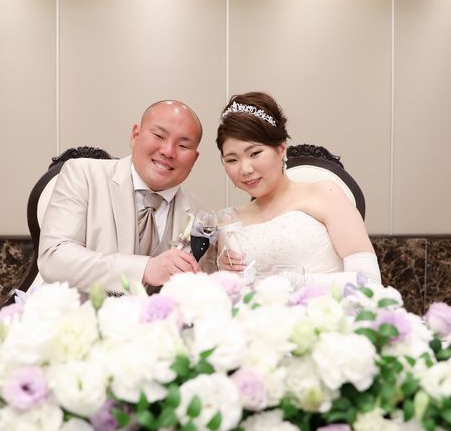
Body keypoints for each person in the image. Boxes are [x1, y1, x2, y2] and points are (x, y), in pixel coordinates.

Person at [38, 99, 207, 294]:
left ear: (194, 159)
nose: (168, 151)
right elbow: (54, 258)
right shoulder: (83, 174)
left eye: (183, 146)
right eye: (159, 136)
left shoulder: (199, 215)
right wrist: (145, 269)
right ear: (135, 136)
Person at [215, 92, 381, 288]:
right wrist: (225, 276)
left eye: (255, 153)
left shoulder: (325, 194)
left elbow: (369, 282)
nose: (245, 169)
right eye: (232, 160)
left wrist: (294, 282)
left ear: (281, 149)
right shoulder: (229, 222)